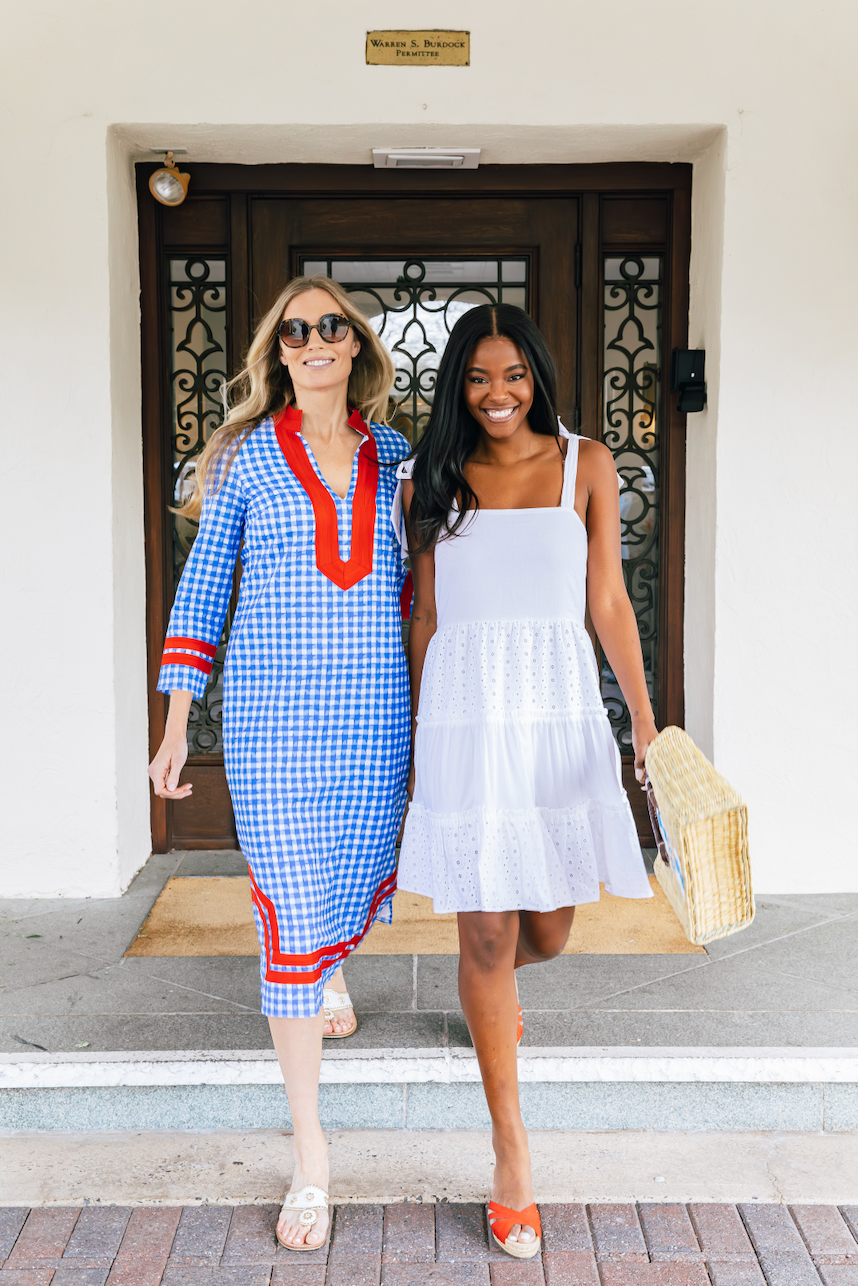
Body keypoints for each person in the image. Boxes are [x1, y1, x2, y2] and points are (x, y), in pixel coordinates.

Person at [148, 276, 410, 1250]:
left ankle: (332, 966)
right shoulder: (248, 460)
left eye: (327, 327)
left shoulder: (399, 460)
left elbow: (430, 580)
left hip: (377, 720)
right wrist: (177, 723)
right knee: (290, 917)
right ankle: (312, 1155)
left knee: (338, 895)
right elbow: (204, 586)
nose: (310, 342)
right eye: (293, 331)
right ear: (278, 353)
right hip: (272, 728)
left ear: (355, 347)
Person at [397, 303, 656, 1261]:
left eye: (512, 375)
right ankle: (512, 1160)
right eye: (476, 378)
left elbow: (608, 601)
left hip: (553, 712)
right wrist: (420, 734)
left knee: (546, 927)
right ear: (456, 386)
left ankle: (497, 1006)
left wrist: (644, 717)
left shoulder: (587, 464)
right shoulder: (433, 477)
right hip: (465, 715)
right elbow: (424, 616)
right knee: (489, 928)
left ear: (538, 375)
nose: (496, 394)